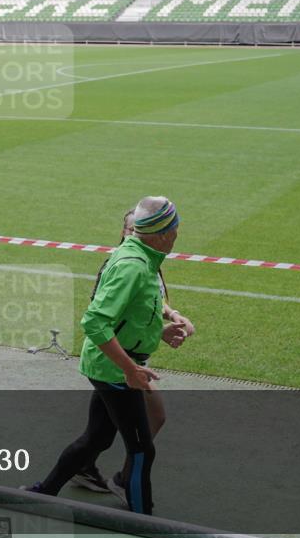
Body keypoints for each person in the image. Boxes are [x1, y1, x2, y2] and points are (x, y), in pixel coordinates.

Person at [23, 196, 186, 514]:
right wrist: (130, 369)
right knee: (141, 451)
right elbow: (95, 322)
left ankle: (42, 493)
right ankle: (142, 520)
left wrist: (160, 331)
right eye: (175, 229)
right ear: (161, 234)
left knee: (96, 439)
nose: (177, 235)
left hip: (112, 366)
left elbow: (135, 313)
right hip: (116, 370)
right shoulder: (133, 266)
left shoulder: (144, 258)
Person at [70, 208, 196, 501]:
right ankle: (124, 481)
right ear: (125, 232)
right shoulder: (125, 265)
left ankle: (80, 472)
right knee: (139, 432)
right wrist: (130, 365)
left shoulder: (146, 261)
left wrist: (171, 317)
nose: (134, 234)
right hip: (117, 362)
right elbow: (101, 319)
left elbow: (151, 300)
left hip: (130, 361)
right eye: (130, 229)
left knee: (102, 432)